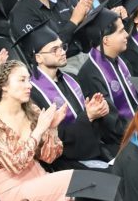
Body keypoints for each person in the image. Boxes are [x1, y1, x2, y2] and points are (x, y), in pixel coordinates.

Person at [0, 60, 72, 201]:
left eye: (29, 80)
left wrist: (52, 128)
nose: (29, 85)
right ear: (3, 86)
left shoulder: (31, 110)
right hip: (13, 191)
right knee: (78, 182)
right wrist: (39, 130)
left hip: (41, 179)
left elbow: (50, 157)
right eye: (22, 80)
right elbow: (15, 164)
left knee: (86, 191)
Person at [15, 21, 113, 169]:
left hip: (94, 146)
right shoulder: (32, 94)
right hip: (66, 160)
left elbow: (88, 116)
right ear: (38, 58)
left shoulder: (71, 78)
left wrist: (97, 110)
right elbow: (52, 137)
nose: (62, 52)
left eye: (62, 47)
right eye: (54, 49)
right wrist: (88, 116)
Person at [76, 6, 138, 153]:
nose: (126, 35)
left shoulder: (121, 61)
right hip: (122, 144)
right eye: (121, 31)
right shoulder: (90, 74)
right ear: (106, 40)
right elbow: (111, 124)